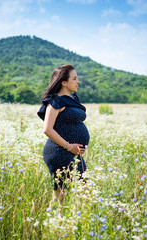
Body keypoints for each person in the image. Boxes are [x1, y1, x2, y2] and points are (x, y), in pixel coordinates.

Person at [37, 64, 90, 214]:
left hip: (73, 152)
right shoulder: (56, 102)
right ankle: (56, 225)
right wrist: (69, 146)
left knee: (81, 189)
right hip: (59, 151)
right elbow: (47, 129)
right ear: (64, 82)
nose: (78, 81)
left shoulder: (72, 98)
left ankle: (76, 220)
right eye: (74, 78)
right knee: (62, 194)